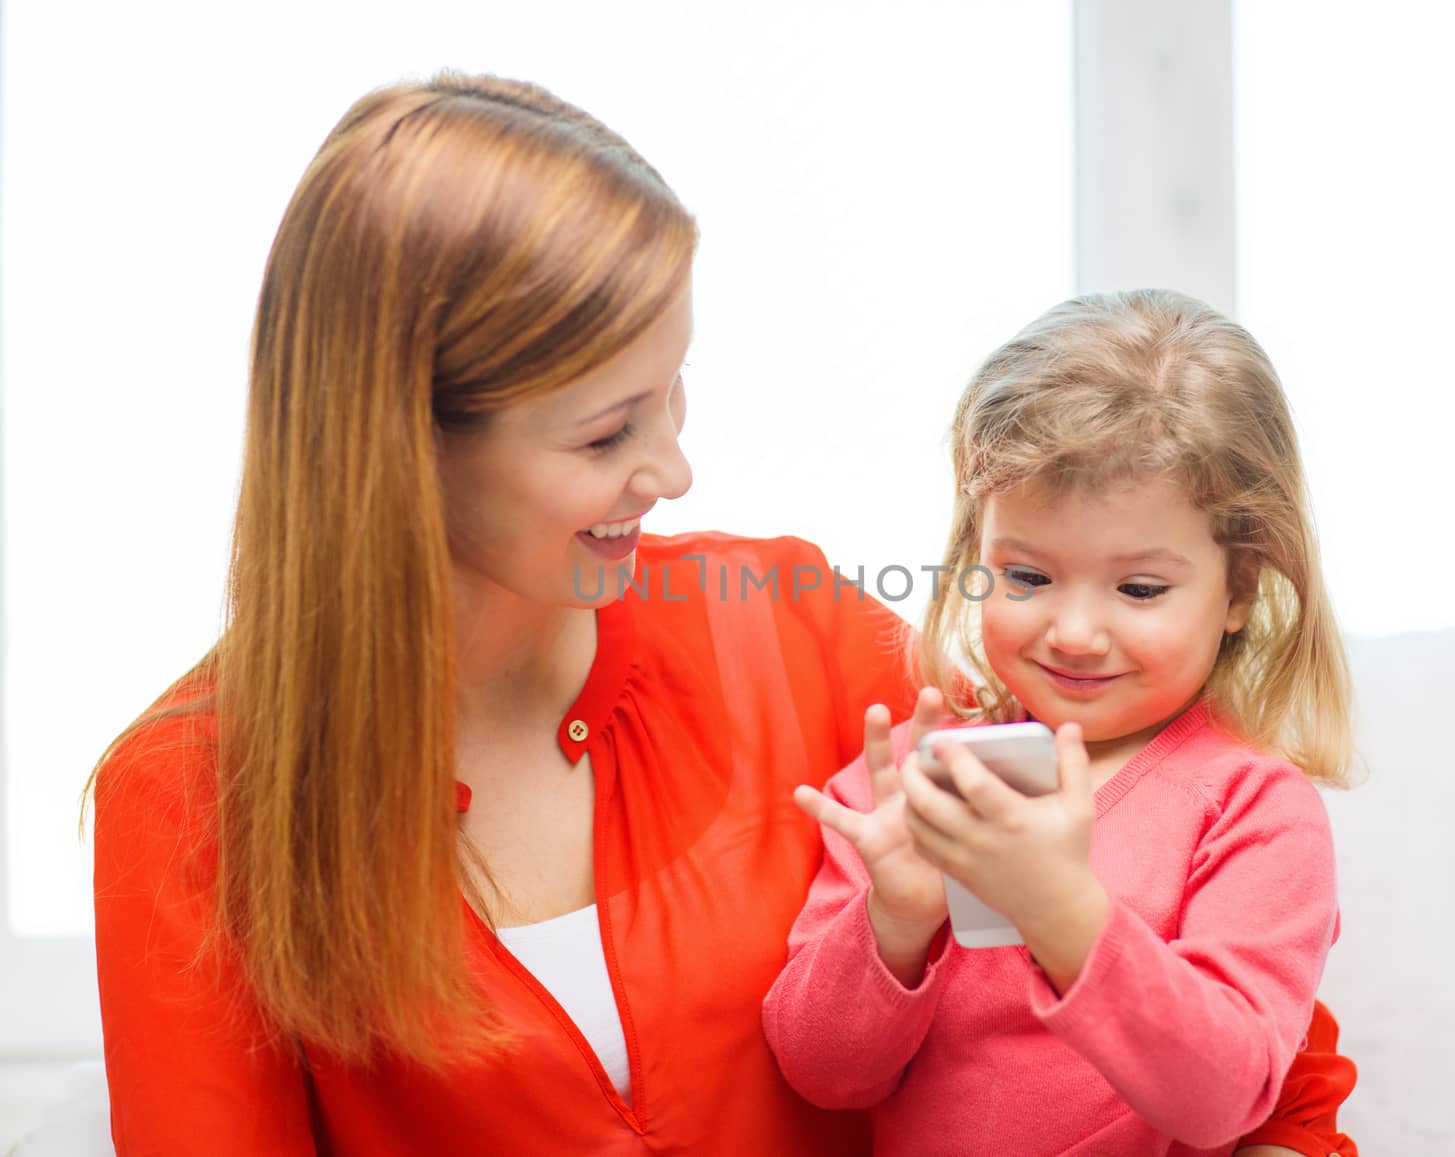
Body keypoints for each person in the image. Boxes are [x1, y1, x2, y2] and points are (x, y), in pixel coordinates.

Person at [87, 75, 1355, 1155]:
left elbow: (1247, 1052)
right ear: (398, 449)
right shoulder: (188, 796)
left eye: (673, 394)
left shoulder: (790, 620)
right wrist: (896, 924)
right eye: (606, 431)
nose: (672, 473)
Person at [763, 289, 1356, 1155]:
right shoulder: (912, 786)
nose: (1074, 633)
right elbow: (823, 1075)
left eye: (1140, 588)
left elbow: (1224, 1097)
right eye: (1029, 577)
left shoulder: (1255, 809)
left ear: (1239, 587)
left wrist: (1065, 913)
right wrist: (891, 920)